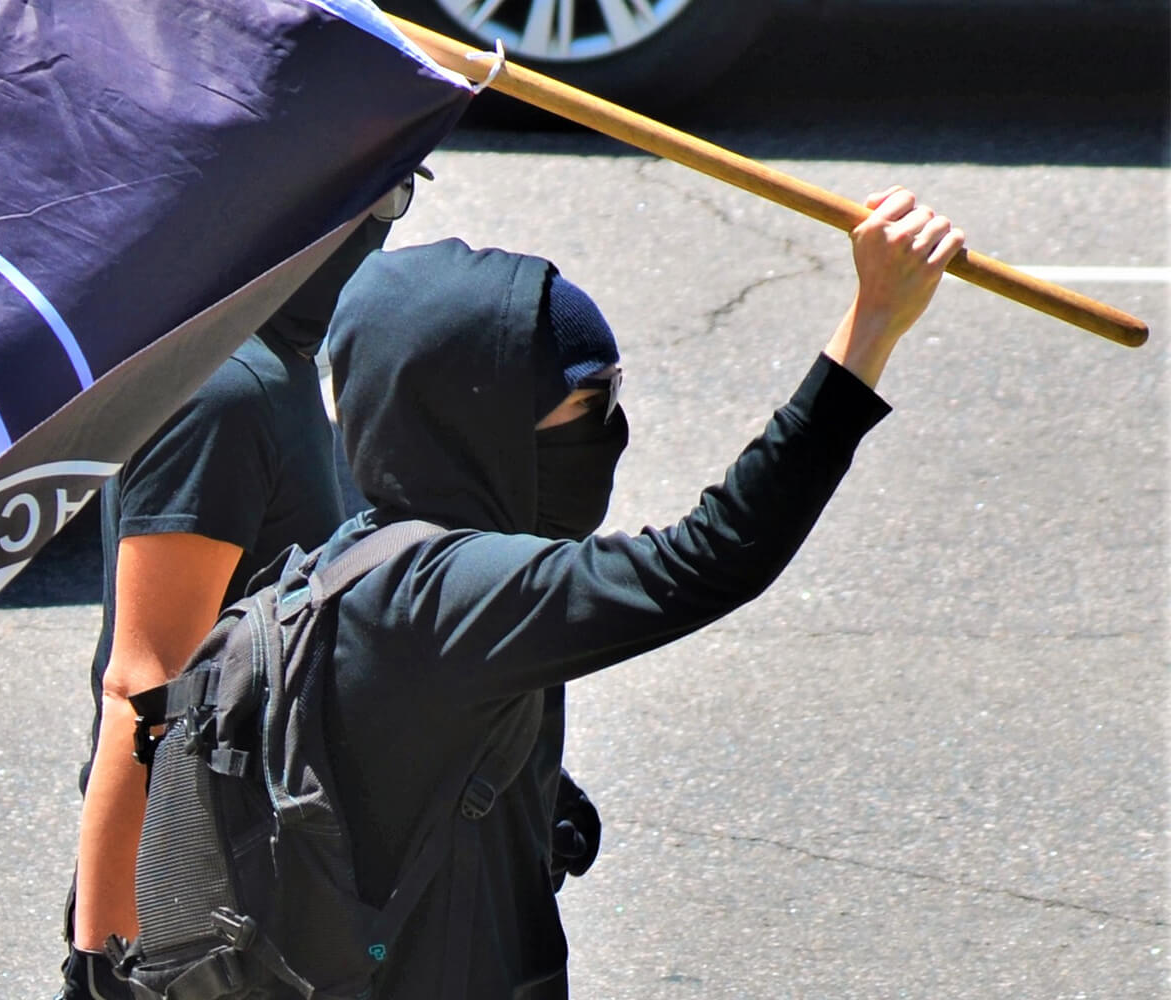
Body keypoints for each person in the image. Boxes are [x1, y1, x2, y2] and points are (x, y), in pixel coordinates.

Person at [300, 186, 964, 998]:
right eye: (590, 403)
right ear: (481, 422)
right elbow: (711, 557)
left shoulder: (355, 555)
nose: (607, 431)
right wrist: (872, 324)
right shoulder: (456, 597)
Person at [50, 180, 412, 1000]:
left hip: (269, 874)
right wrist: (107, 964)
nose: (386, 228)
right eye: (380, 199)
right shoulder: (223, 396)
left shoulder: (271, 370)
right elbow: (145, 688)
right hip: (196, 906)